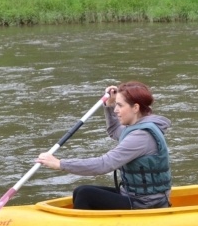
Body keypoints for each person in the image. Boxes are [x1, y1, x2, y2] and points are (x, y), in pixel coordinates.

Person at [36, 81, 172, 210]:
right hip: (132, 196)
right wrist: (109, 104)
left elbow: (104, 164)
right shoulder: (136, 128)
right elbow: (114, 131)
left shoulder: (141, 137)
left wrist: (60, 164)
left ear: (135, 107)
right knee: (79, 191)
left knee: (85, 194)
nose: (116, 110)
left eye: (120, 105)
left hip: (146, 203)